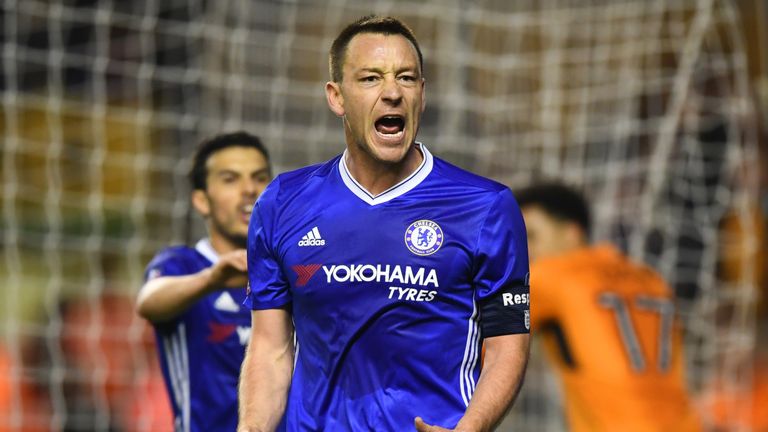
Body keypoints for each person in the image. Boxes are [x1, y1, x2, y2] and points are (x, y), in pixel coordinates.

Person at [238, 15, 530, 432]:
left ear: (422, 94)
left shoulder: (486, 207)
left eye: (407, 78)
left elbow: (507, 344)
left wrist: (472, 428)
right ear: (336, 97)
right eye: (371, 78)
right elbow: (270, 346)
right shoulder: (283, 201)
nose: (392, 93)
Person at [517, 182, 702, 432]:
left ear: (572, 232)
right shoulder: (651, 279)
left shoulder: (554, 275)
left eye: (531, 237)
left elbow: (480, 342)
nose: (521, 250)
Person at [136, 131, 272, 432]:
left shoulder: (289, 270)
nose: (249, 189)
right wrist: (212, 280)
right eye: (230, 179)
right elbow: (148, 301)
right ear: (201, 200)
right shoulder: (183, 265)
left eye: (259, 178)